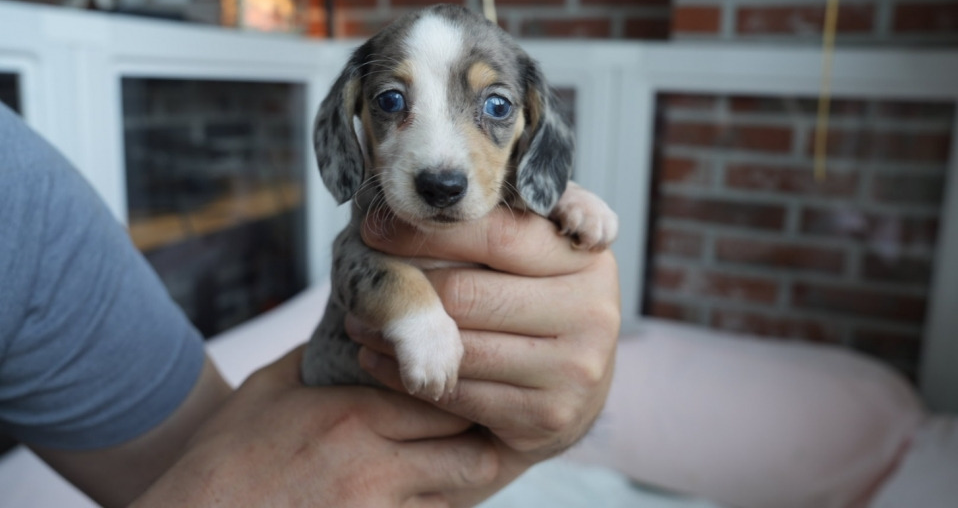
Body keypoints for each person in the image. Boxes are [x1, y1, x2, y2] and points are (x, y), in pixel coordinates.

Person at [0, 101, 620, 507]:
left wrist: (564, 413)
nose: (442, 160)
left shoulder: (26, 193)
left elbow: (197, 456)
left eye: (495, 108)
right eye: (392, 103)